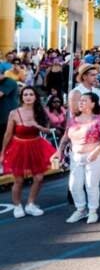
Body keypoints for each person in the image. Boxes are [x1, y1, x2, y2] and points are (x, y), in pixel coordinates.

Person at [0, 86, 56, 218]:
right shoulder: (14, 113)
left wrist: (38, 126)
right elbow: (8, 134)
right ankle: (17, 205)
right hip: (18, 147)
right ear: (21, 97)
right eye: (25, 94)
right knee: (19, 180)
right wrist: (2, 152)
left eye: (31, 94)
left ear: (35, 97)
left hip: (37, 146)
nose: (28, 97)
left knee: (39, 177)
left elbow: (49, 131)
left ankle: (31, 204)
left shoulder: (41, 112)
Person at [58, 92, 100, 224]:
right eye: (80, 100)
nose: (80, 102)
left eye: (84, 100)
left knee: (90, 184)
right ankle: (81, 209)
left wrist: (97, 151)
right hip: (76, 156)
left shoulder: (98, 119)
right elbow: (65, 137)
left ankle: (93, 211)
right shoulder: (73, 119)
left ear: (93, 104)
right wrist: (59, 151)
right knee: (74, 185)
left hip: (95, 155)